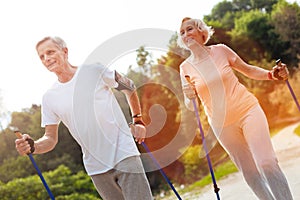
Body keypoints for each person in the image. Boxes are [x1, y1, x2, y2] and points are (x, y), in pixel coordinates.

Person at [15, 36, 153, 200]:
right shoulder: (49, 97)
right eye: (42, 56)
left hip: (124, 154)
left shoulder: (94, 70)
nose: (47, 59)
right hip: (96, 168)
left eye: (50, 52)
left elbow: (129, 86)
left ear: (65, 51)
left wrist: (138, 119)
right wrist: (33, 146)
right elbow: (50, 138)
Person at [178, 17, 293, 200]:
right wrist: (188, 95)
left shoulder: (221, 50)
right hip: (221, 125)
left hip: (247, 110)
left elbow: (247, 69)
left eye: (189, 29)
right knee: (250, 174)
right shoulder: (185, 68)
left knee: (266, 162)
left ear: (201, 32)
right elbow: (189, 104)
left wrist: (272, 75)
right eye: (182, 32)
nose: (186, 34)